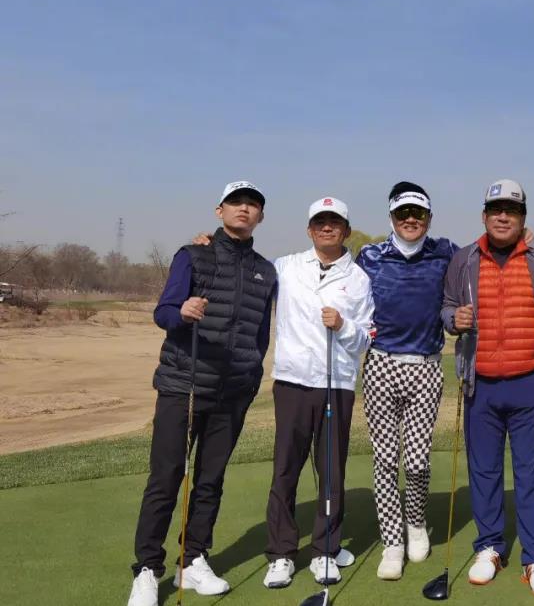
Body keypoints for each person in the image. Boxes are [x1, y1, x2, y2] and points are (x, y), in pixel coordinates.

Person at [127, 182, 277, 606]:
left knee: (210, 481)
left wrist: (251, 376)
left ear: (261, 216)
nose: (244, 209)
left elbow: (260, 334)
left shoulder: (266, 270)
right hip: (184, 385)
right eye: (236, 202)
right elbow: (163, 312)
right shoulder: (192, 255)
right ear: (219, 210)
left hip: (233, 393)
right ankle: (147, 569)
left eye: (253, 204)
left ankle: (193, 559)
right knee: (166, 478)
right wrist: (182, 311)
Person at [440, 179, 534, 598]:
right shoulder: (464, 259)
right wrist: (452, 319)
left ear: (522, 218)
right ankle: (490, 547)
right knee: (484, 471)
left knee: (532, 474)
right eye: (495, 209)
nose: (502, 216)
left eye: (511, 210)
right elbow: (446, 306)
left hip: (531, 381)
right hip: (480, 384)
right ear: (484, 215)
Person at [262, 198, 375, 589]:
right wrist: (210, 245)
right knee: (285, 468)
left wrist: (343, 324)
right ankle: (281, 553)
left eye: (335, 222)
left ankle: (326, 549)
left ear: (346, 230)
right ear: (310, 229)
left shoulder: (358, 279)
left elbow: (366, 339)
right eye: (320, 222)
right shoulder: (286, 267)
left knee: (331, 469)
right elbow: (245, 270)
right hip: (292, 381)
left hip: (336, 383)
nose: (327, 228)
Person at [357, 182, 458, 580]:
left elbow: (482, 258)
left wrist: (529, 240)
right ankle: (392, 541)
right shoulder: (370, 256)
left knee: (416, 460)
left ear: (429, 218)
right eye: (403, 213)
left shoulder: (445, 252)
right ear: (392, 218)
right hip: (381, 365)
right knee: (385, 459)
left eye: (418, 214)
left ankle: (416, 522)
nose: (410, 220)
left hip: (426, 366)